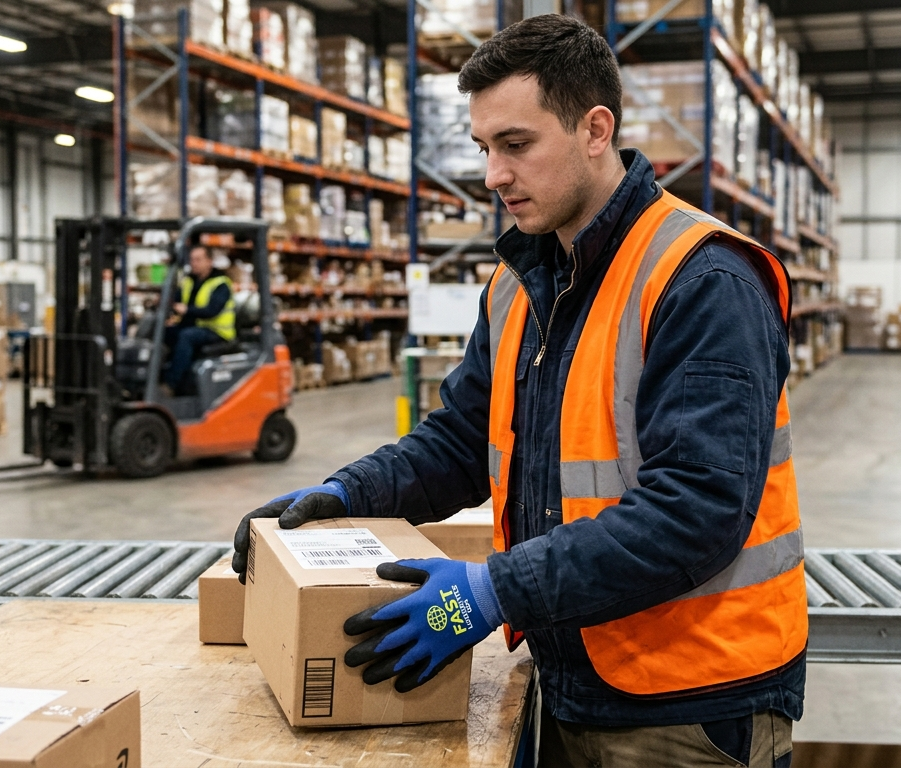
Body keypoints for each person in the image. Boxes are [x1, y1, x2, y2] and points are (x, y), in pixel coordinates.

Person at [232, 15, 804, 767]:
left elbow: (696, 510)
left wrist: (495, 590)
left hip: (692, 703)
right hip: (566, 677)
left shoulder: (703, 280)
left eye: (516, 145)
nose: (492, 175)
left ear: (595, 129)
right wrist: (346, 494)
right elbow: (464, 440)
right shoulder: (518, 285)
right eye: (482, 149)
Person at [163, 245, 235, 395]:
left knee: (187, 336)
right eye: (192, 260)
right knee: (166, 332)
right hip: (196, 328)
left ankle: (171, 384)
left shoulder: (221, 284)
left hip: (218, 332)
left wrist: (187, 310)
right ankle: (157, 377)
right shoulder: (189, 281)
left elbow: (211, 311)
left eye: (198, 260)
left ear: (209, 261)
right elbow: (175, 300)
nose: (194, 263)